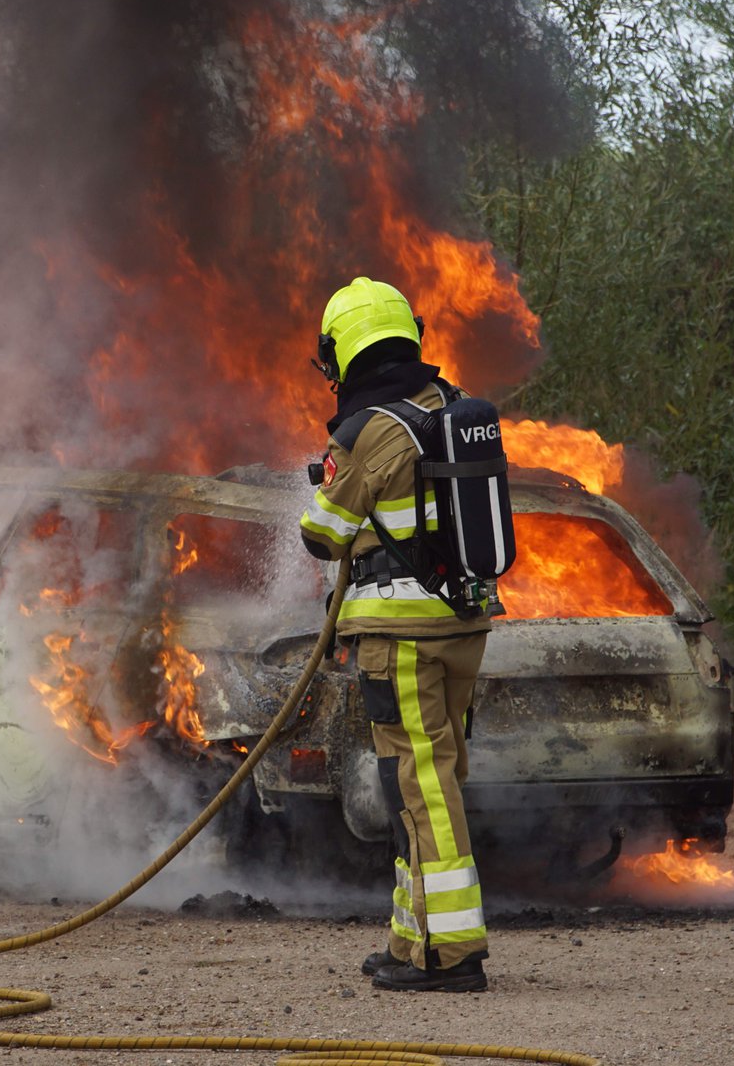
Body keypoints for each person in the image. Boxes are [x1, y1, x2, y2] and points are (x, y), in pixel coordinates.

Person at [299, 276, 491, 993]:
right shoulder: (446, 407)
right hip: (461, 626)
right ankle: (413, 944)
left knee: (419, 784)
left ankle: (454, 954)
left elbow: (322, 535)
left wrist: (325, 483)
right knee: (427, 780)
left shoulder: (369, 428)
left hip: (400, 635)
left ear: (343, 352)